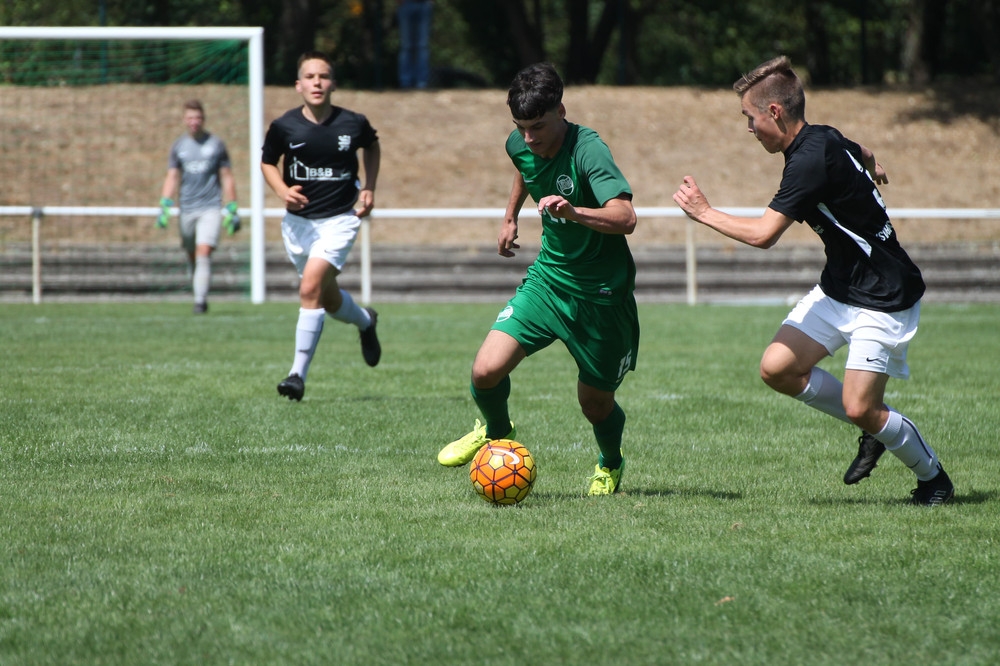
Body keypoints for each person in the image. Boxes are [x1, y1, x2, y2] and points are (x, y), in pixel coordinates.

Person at [672, 55, 953, 506]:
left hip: (883, 294)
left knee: (862, 407)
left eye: (749, 118)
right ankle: (872, 425)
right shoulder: (823, 136)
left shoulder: (807, 162)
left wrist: (704, 213)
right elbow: (861, 150)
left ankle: (933, 478)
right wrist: (873, 167)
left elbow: (763, 235)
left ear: (774, 112)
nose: (749, 129)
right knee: (777, 368)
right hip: (840, 287)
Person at [436, 62, 640, 496]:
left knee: (594, 404)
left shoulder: (588, 150)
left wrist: (575, 212)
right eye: (521, 127)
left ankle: (610, 463)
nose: (529, 138)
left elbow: (626, 217)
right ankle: (497, 432)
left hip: (601, 296)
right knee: (485, 371)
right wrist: (509, 216)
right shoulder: (522, 143)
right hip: (549, 281)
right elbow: (524, 165)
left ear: (561, 111)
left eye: (538, 127)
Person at [261, 51, 382, 401]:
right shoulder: (284, 126)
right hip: (298, 225)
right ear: (298, 85)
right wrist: (282, 191)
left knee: (310, 286)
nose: (317, 82)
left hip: (340, 219)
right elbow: (267, 162)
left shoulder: (353, 123)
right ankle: (366, 321)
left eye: (324, 76)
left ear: (333, 84)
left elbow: (372, 146)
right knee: (326, 299)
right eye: (310, 77)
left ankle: (296, 375)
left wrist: (370, 186)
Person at [158, 99, 240, 314]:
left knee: (204, 250)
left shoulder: (216, 145)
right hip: (187, 208)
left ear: (203, 119)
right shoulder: (179, 146)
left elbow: (226, 175)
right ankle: (198, 291)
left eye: (198, 117)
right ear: (185, 120)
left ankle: (200, 302)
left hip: (210, 206)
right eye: (190, 118)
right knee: (192, 253)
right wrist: (165, 202)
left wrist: (232, 205)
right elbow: (172, 176)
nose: (194, 121)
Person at [396, 0, 433, 89]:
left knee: (422, 46)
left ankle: (422, 82)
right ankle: (405, 82)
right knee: (406, 46)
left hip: (424, 4)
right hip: (406, 4)